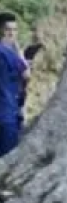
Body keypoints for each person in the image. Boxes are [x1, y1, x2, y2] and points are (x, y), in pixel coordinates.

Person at [0, 13, 30, 157]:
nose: (12, 33)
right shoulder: (7, 53)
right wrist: (20, 52)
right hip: (7, 113)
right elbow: (26, 74)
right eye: (8, 29)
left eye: (14, 29)